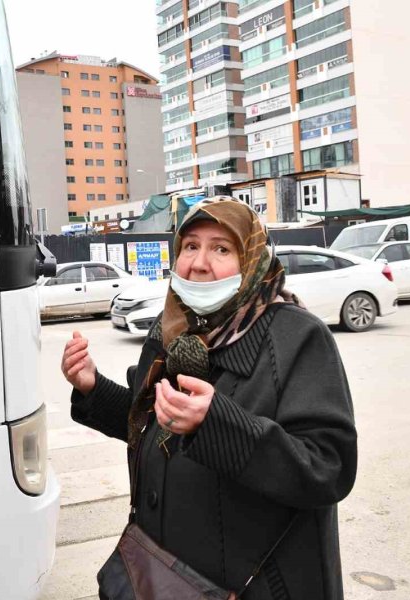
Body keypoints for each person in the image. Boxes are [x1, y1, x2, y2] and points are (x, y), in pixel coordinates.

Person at [61, 198, 357, 599]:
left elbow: (329, 467)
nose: (199, 263)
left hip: (251, 585)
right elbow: (150, 421)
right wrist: (92, 386)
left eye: (221, 248)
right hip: (160, 574)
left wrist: (215, 424)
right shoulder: (172, 332)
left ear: (252, 259)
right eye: (190, 246)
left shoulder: (296, 337)